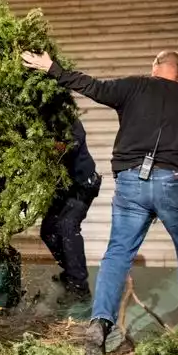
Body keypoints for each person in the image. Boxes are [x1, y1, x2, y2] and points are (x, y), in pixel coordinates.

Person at [20, 50, 178, 355]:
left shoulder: (133, 86)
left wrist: (53, 68)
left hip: (130, 184)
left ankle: (99, 324)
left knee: (117, 254)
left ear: (153, 68)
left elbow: (93, 87)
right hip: (171, 184)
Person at [39, 118, 100, 297]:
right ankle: (72, 272)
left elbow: (72, 145)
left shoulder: (68, 118)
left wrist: (46, 147)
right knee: (48, 231)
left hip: (82, 185)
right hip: (61, 187)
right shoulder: (35, 121)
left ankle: (79, 287)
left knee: (67, 226)